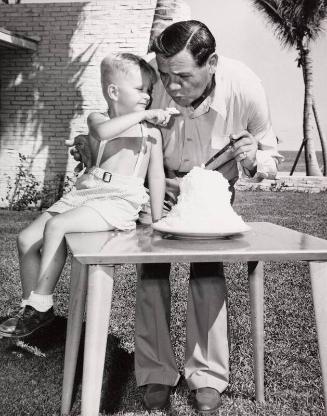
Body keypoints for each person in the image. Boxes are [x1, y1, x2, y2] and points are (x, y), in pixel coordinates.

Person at [65, 20, 283, 413]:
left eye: (183, 76)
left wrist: (254, 158)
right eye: (166, 76)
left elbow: (269, 155)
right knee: (150, 271)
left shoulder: (245, 88)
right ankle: (154, 373)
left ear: (212, 62)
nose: (172, 86)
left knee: (208, 272)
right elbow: (113, 110)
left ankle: (208, 376)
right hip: (156, 186)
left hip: (211, 192)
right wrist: (90, 140)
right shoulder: (154, 75)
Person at [0, 53, 179, 339]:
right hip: (88, 190)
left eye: (149, 90)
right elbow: (104, 132)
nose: (147, 96)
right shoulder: (98, 119)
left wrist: (158, 220)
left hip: (118, 199)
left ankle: (41, 304)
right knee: (25, 240)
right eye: (140, 89)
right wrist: (141, 115)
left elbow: (156, 177)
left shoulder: (151, 133)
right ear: (113, 91)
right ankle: (31, 309)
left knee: (56, 226)